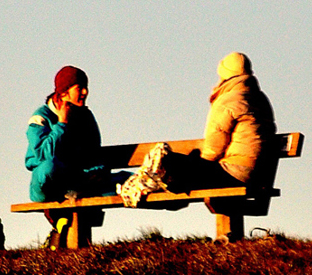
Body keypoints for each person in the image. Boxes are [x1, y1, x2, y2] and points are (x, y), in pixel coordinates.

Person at [129, 52, 278, 198]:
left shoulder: (227, 101)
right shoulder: (260, 98)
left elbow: (214, 147)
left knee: (167, 161)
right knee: (180, 165)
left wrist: (199, 166)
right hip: (259, 174)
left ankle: (152, 186)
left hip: (234, 174)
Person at [24, 65, 113, 202]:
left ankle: (78, 191)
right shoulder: (40, 118)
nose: (84, 92)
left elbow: (94, 153)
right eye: (79, 88)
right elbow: (44, 155)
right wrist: (62, 123)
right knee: (50, 166)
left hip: (76, 179)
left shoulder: (86, 117)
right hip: (47, 183)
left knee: (122, 181)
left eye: (86, 87)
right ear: (64, 92)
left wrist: (97, 173)